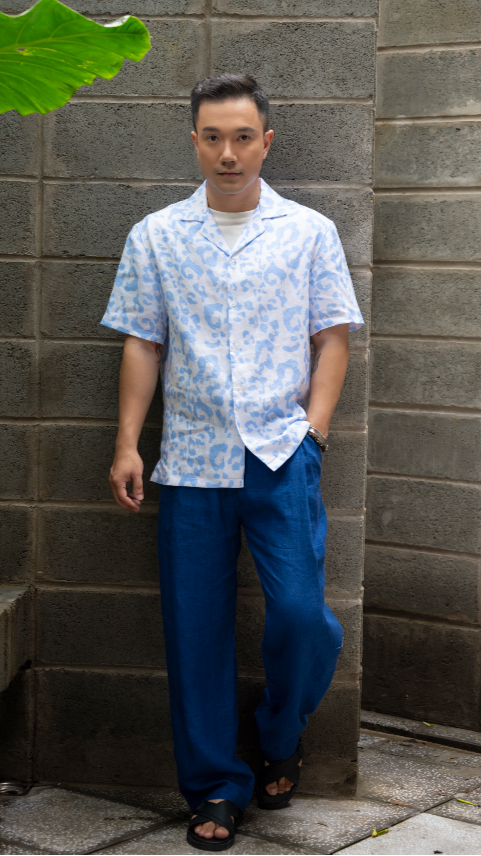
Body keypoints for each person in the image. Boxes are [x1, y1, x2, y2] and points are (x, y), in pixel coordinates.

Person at [102, 73, 363, 852]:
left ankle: (279, 731)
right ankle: (216, 785)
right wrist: (126, 442)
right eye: (212, 137)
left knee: (298, 618)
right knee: (195, 634)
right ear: (194, 141)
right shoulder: (155, 235)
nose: (227, 152)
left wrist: (312, 432)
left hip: (281, 457)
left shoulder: (309, 232)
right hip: (187, 462)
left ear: (265, 141)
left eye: (241, 136)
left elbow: (332, 338)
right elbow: (142, 342)